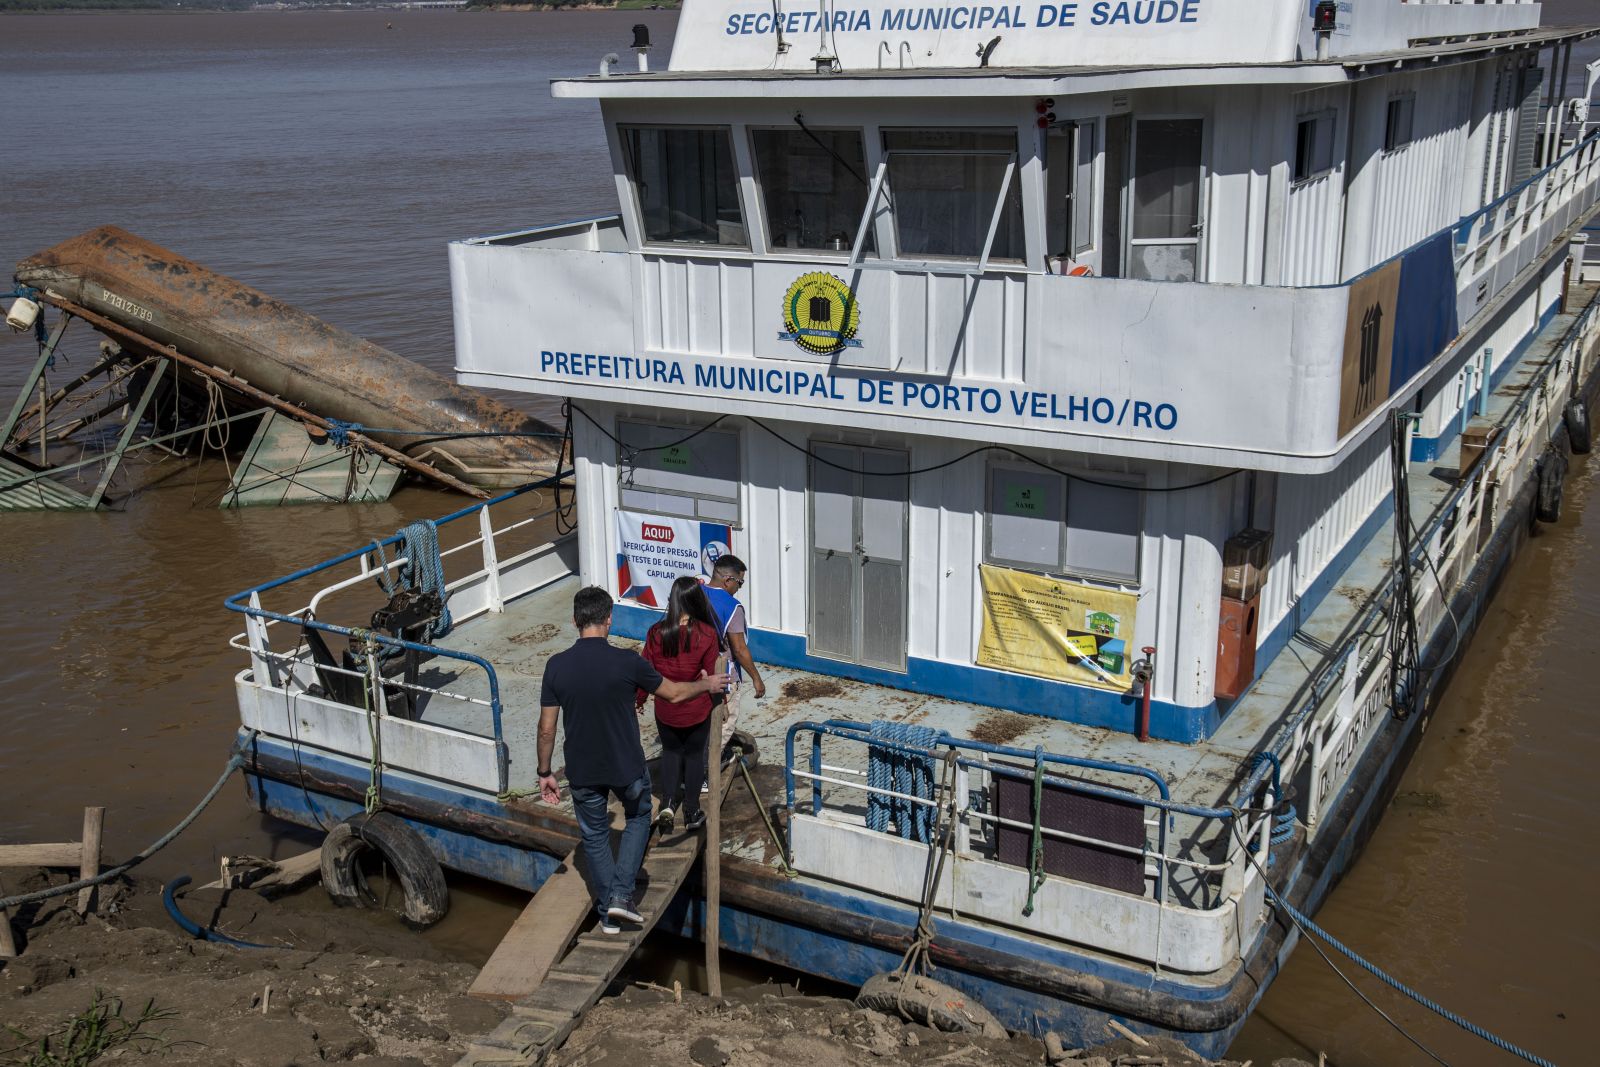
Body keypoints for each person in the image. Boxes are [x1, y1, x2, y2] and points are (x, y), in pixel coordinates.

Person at [536, 586, 728, 933]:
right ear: (609, 620)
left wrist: (545, 772)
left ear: (574, 621)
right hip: (626, 765)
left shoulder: (556, 666)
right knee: (639, 816)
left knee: (594, 837)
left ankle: (609, 908)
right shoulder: (627, 662)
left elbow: (546, 729)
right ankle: (621, 896)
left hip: (582, 769)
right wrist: (708, 685)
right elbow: (674, 692)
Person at [636, 576, 721, 833]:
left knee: (671, 753)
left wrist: (639, 699)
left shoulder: (656, 633)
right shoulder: (707, 635)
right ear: (697, 600)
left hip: (665, 709)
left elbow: (645, 670)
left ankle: (668, 803)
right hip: (696, 709)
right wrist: (723, 703)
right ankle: (692, 810)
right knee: (694, 757)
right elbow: (712, 676)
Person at [702, 554, 765, 759]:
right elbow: (739, 649)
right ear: (728, 580)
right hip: (724, 677)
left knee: (701, 720)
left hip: (696, 672)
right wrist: (756, 678)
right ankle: (705, 773)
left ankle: (693, 764)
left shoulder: (693, 593)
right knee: (724, 723)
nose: (739, 587)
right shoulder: (732, 607)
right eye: (740, 582)